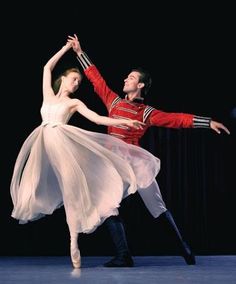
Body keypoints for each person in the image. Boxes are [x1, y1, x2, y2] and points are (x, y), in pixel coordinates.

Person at [68, 34, 230, 267]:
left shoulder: (146, 113)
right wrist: (79, 52)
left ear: (140, 85)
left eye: (131, 77)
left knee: (157, 206)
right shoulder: (114, 102)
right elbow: (97, 80)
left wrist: (207, 122)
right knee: (106, 205)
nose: (126, 78)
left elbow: (176, 119)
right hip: (114, 164)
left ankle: (185, 249)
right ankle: (124, 255)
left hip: (136, 162)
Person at [10, 40, 162, 269]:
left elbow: (98, 119)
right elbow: (46, 68)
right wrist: (65, 49)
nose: (76, 84)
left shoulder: (75, 103)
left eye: (79, 82)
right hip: (42, 142)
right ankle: (32, 205)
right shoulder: (48, 96)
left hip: (63, 145)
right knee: (31, 184)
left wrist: (123, 120)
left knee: (71, 192)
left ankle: (74, 242)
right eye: (74, 79)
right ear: (63, 79)